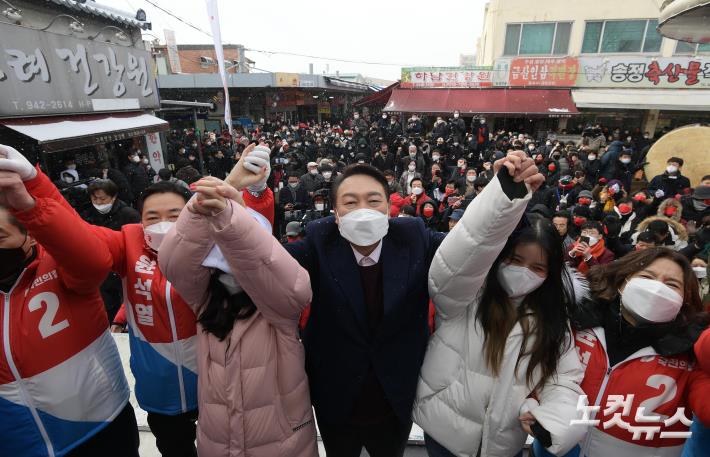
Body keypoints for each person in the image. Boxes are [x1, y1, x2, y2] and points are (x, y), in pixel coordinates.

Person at [414, 152, 587, 457]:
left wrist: (554, 422)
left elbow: (564, 381)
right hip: (445, 432)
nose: (523, 272)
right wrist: (504, 196)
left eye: (537, 267)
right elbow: (467, 250)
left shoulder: (552, 319)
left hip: (504, 441)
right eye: (515, 260)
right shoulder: (464, 295)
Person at [282, 163, 447, 456]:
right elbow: (261, 257)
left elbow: (472, 245)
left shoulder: (414, 237)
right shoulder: (319, 242)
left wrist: (507, 196)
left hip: (395, 397)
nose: (363, 210)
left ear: (388, 208)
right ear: (334, 213)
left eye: (373, 201)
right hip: (337, 399)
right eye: (350, 202)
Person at [158, 163, 319, 456]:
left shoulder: (278, 309)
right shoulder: (204, 299)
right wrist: (204, 203)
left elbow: (292, 284)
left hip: (282, 442)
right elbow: (173, 262)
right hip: (217, 441)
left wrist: (230, 217)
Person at [0, 146, 139, 457]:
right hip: (18, 442)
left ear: (30, 235)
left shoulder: (59, 265)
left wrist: (32, 194)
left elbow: (91, 256)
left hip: (97, 425)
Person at [535, 248, 710, 457]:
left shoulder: (691, 352)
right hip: (554, 449)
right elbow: (535, 368)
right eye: (647, 277)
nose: (656, 288)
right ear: (622, 282)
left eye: (672, 284)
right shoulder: (577, 322)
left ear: (685, 299)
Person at [83, 179, 140, 322]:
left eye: (102, 198)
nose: (98, 203)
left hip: (124, 267)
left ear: (113, 197)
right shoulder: (87, 214)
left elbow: (136, 242)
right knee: (107, 305)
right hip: (101, 268)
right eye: (94, 198)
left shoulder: (128, 215)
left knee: (129, 301)